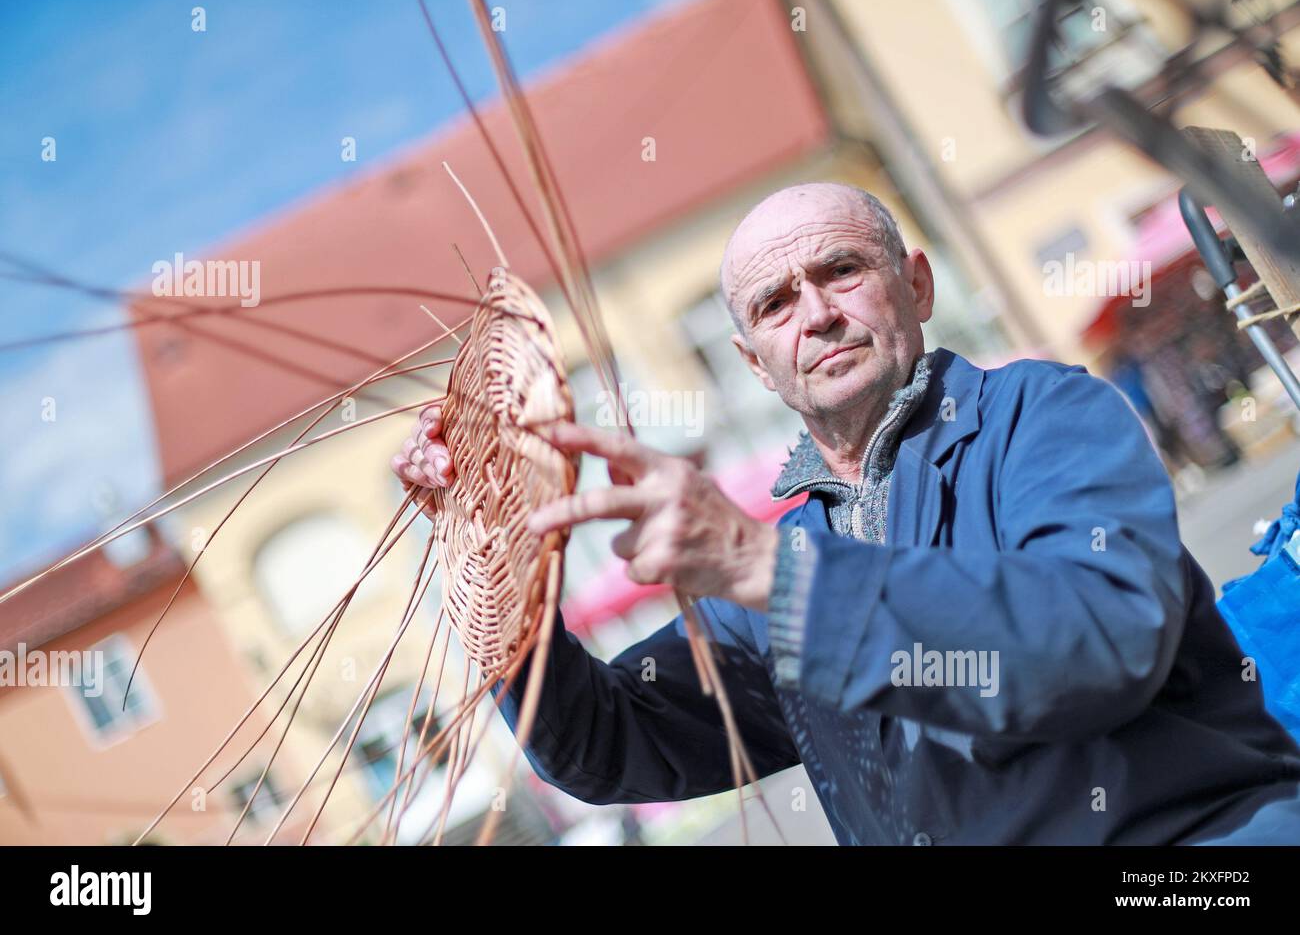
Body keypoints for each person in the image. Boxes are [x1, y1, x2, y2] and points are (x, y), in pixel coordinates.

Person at [391, 182, 1300, 845]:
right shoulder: (774, 565)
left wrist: (771, 572)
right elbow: (610, 743)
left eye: (841, 271)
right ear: (754, 363)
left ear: (918, 286)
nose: (816, 314)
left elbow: (1102, 638)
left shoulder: (1044, 415)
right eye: (776, 303)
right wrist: (500, 567)